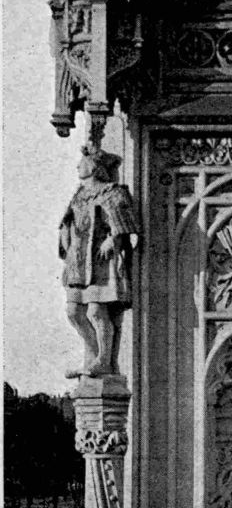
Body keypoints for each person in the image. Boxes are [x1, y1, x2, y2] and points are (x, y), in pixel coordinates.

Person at [59, 145, 138, 378]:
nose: (78, 166)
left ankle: (104, 360)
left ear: (94, 166)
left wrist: (114, 238)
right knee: (73, 311)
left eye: (82, 162)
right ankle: (94, 356)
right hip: (78, 260)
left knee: (96, 310)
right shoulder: (79, 194)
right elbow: (67, 222)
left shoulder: (113, 192)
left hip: (102, 260)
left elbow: (125, 224)